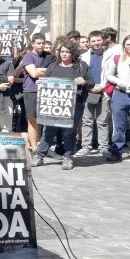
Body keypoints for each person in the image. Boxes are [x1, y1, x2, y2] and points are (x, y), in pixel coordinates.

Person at [32, 41, 94, 170]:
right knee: (48, 131)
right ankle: (39, 155)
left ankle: (68, 156)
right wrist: (40, 84)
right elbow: (46, 82)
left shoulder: (81, 66)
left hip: (74, 105)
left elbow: (92, 83)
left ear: (73, 53)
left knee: (69, 132)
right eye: (62, 52)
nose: (64, 54)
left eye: (67, 52)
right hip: (53, 105)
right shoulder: (53, 66)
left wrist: (84, 81)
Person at [77, 31, 110, 156]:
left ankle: (103, 147)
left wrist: (101, 86)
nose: (96, 43)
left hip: (103, 91)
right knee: (87, 120)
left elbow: (111, 74)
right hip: (88, 91)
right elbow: (81, 74)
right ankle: (86, 146)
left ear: (103, 40)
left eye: (98, 40)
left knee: (103, 121)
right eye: (93, 41)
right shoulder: (83, 57)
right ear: (89, 42)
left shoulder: (110, 55)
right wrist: (88, 86)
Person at [20, 33, 53, 153]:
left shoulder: (49, 56)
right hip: (31, 90)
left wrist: (40, 70)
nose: (41, 45)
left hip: (47, 90)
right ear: (32, 44)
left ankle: (44, 146)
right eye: (38, 43)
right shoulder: (28, 56)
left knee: (46, 119)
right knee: (32, 120)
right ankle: (34, 147)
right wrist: (43, 71)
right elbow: (33, 73)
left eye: (43, 43)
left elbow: (54, 70)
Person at [105, 34, 130, 162]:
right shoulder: (117, 58)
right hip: (120, 94)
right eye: (128, 44)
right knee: (119, 126)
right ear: (124, 46)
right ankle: (116, 151)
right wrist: (120, 82)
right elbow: (109, 75)